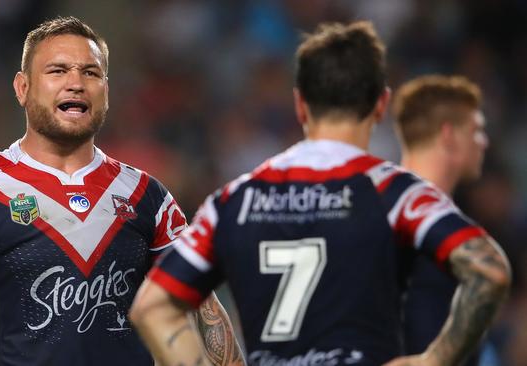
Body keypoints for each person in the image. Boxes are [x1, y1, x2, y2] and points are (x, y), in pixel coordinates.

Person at [129, 21, 511, 366]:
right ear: (381, 105)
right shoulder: (395, 193)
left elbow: (152, 308)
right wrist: (433, 361)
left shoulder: (233, 200)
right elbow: (488, 270)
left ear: (300, 104)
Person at [0, 16, 244, 366]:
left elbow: (204, 308)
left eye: (90, 73)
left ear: (105, 91)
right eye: (58, 71)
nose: (76, 83)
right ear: (22, 87)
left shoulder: (147, 196)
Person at [393, 75, 489, 365]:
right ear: (448, 135)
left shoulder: (381, 208)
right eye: (476, 130)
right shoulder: (404, 221)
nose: (484, 142)